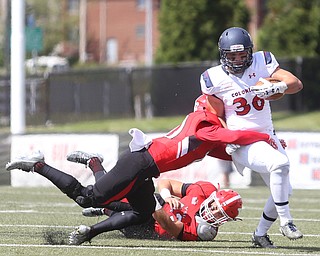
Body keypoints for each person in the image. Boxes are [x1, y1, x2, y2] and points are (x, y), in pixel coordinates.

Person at [6, 95, 273, 245]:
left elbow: (229, 148)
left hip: (147, 169)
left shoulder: (209, 136)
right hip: (140, 162)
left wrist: (252, 150)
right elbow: (235, 138)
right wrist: (267, 137)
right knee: (88, 198)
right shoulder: (207, 126)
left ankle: (91, 228)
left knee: (141, 212)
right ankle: (38, 164)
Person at [200, 27, 304, 248]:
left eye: (242, 55)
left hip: (267, 136)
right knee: (280, 163)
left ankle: (260, 234)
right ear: (223, 55)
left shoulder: (262, 61)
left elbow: (296, 84)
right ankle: (287, 222)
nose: (238, 60)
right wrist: (227, 138)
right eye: (232, 56)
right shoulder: (214, 77)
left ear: (250, 52)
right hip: (243, 140)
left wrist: (278, 86)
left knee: (285, 191)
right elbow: (215, 116)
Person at [73, 177, 242, 243]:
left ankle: (102, 212)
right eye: (214, 206)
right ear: (213, 197)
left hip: (152, 224)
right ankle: (94, 163)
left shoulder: (205, 231)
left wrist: (153, 203)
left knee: (128, 214)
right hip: (160, 203)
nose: (213, 211)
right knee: (108, 194)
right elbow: (165, 182)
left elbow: (169, 225)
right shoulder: (204, 190)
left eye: (221, 214)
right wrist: (167, 196)